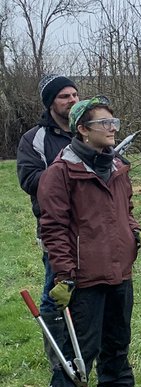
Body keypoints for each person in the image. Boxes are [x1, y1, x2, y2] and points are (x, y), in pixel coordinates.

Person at [36, 96, 141, 387]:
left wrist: (135, 231)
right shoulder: (60, 173)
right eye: (105, 123)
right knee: (76, 354)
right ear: (82, 130)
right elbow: (53, 228)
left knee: (118, 343)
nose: (113, 128)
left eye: (114, 121)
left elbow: (125, 210)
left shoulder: (117, 165)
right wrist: (65, 276)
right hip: (84, 278)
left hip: (120, 271)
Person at [16, 74, 80, 318]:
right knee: (56, 294)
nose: (72, 100)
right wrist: (69, 174)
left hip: (90, 225)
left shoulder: (87, 130)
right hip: (56, 228)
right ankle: (58, 355)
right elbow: (30, 180)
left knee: (85, 296)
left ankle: (81, 353)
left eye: (74, 94)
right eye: (64, 96)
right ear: (50, 102)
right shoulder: (33, 139)